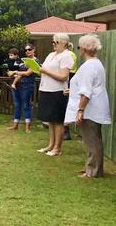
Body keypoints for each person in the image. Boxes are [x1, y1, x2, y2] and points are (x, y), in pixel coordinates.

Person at [63, 34, 111, 178]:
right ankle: (92, 168)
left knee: (92, 140)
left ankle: (93, 171)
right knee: (93, 139)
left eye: (79, 47)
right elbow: (90, 87)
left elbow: (86, 92)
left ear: (83, 49)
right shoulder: (96, 64)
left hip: (90, 109)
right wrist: (72, 91)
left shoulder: (88, 66)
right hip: (95, 107)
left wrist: (80, 110)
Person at [36, 33, 74, 157]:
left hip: (57, 91)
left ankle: (57, 148)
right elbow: (44, 70)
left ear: (63, 43)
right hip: (46, 89)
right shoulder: (51, 55)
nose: (53, 44)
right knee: (50, 119)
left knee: (57, 120)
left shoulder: (66, 56)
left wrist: (45, 71)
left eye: (56, 42)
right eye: (53, 42)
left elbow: (63, 77)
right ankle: (50, 145)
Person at [7, 43, 40, 132]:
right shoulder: (23, 60)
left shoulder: (36, 61)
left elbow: (28, 73)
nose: (27, 51)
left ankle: (27, 127)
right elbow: (16, 69)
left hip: (27, 85)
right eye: (26, 50)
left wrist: (14, 72)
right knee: (17, 105)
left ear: (34, 50)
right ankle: (15, 125)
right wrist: (11, 72)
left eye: (29, 49)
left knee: (26, 105)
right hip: (17, 85)